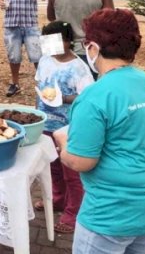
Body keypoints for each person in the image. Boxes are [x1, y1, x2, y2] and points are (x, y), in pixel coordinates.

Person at [53, 9, 145, 253]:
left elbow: (81, 162)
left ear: (92, 48)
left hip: (112, 214)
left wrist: (63, 143)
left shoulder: (93, 96)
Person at [33, 21, 94, 234]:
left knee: (71, 173)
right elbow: (39, 88)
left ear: (68, 42)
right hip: (46, 125)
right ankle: (58, 199)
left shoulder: (79, 68)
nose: (48, 47)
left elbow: (87, 99)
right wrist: (36, 116)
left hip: (69, 129)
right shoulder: (44, 61)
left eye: (54, 42)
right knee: (53, 167)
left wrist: (64, 98)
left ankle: (73, 212)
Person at [47, 0, 114, 76]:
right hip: (88, 49)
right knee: (86, 89)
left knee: (58, 87)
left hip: (58, 47)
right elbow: (109, 23)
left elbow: (51, 18)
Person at [0, 0, 48, 97]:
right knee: (14, 56)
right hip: (11, 24)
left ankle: (43, 83)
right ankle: (15, 83)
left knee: (37, 55)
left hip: (30, 23)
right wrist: (1, 3)